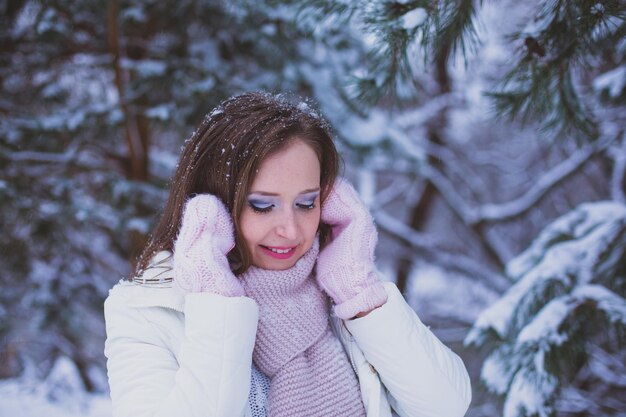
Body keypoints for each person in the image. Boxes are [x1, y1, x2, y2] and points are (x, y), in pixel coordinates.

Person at [104, 91, 472, 417]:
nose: (291, 230)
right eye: (262, 206)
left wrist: (358, 293)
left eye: (306, 203)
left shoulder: (341, 288)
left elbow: (446, 406)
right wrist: (214, 299)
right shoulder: (146, 312)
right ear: (213, 204)